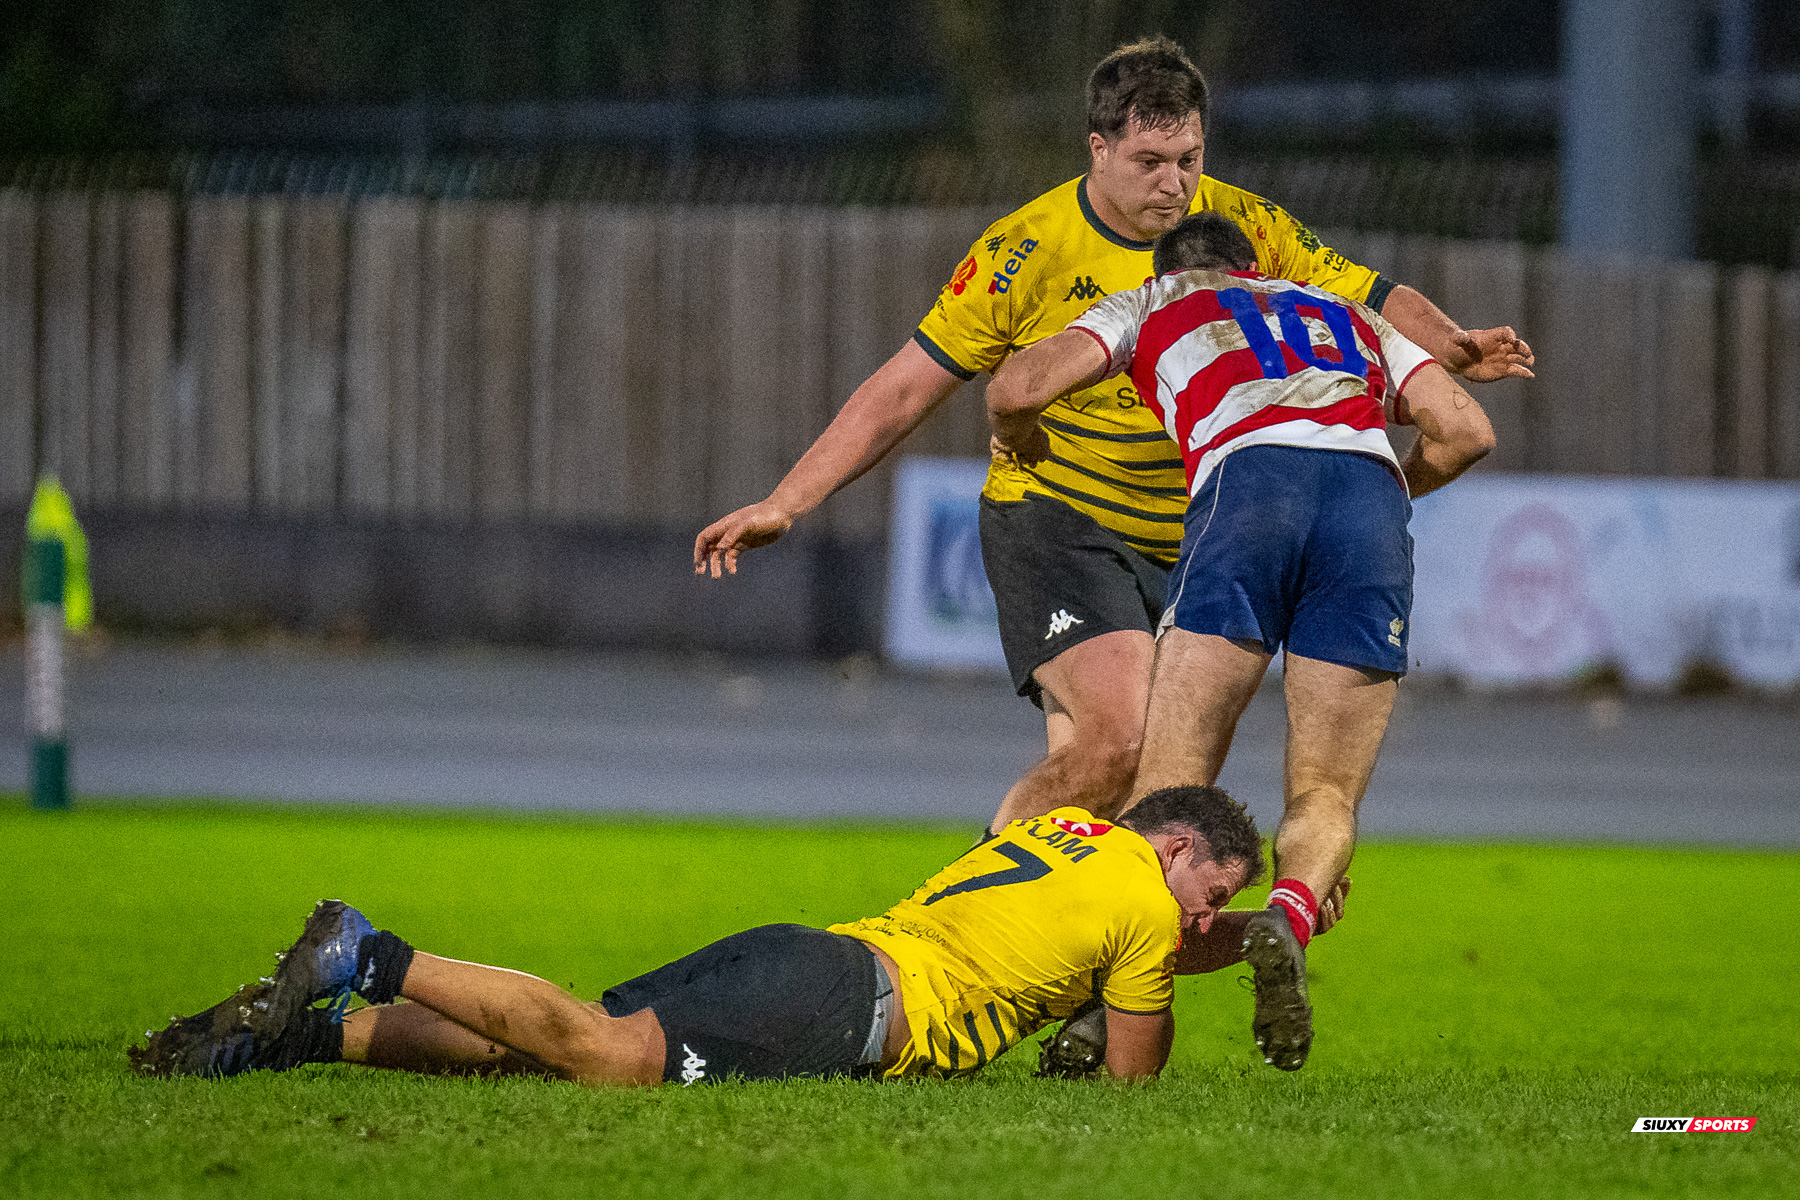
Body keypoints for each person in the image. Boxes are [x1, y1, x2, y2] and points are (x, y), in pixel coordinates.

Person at [693, 36, 1534, 835]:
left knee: (1155, 784)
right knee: (1122, 743)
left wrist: (1454, 344)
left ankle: (1077, 976)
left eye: (1190, 160)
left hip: (1201, 530)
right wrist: (787, 501)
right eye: (1150, 163)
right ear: (1097, 148)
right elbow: (905, 388)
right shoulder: (1025, 252)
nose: (1176, 186)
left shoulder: (1249, 228)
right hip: (1062, 518)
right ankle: (970, 925)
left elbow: (1377, 296)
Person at [986, 211, 1502, 1072]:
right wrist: (1386, 495)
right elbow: (1468, 432)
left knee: (1169, 793)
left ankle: (1097, 1015)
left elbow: (1015, 386)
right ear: (1255, 264)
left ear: (1174, 268)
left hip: (1249, 485)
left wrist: (1019, 437)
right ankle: (1291, 913)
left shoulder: (1152, 300)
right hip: (1365, 502)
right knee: (1329, 789)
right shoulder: (1346, 315)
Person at [132, 785, 1297, 1086]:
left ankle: (298, 1039)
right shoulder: (1144, 903)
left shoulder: (1067, 833)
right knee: (604, 1059)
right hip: (848, 1006)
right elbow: (1133, 1078)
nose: (1203, 918)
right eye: (1214, 893)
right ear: (1179, 851)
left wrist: (1237, 937)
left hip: (812, 950)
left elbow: (1117, 940)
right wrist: (1247, 948)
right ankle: (365, 954)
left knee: (551, 1051)